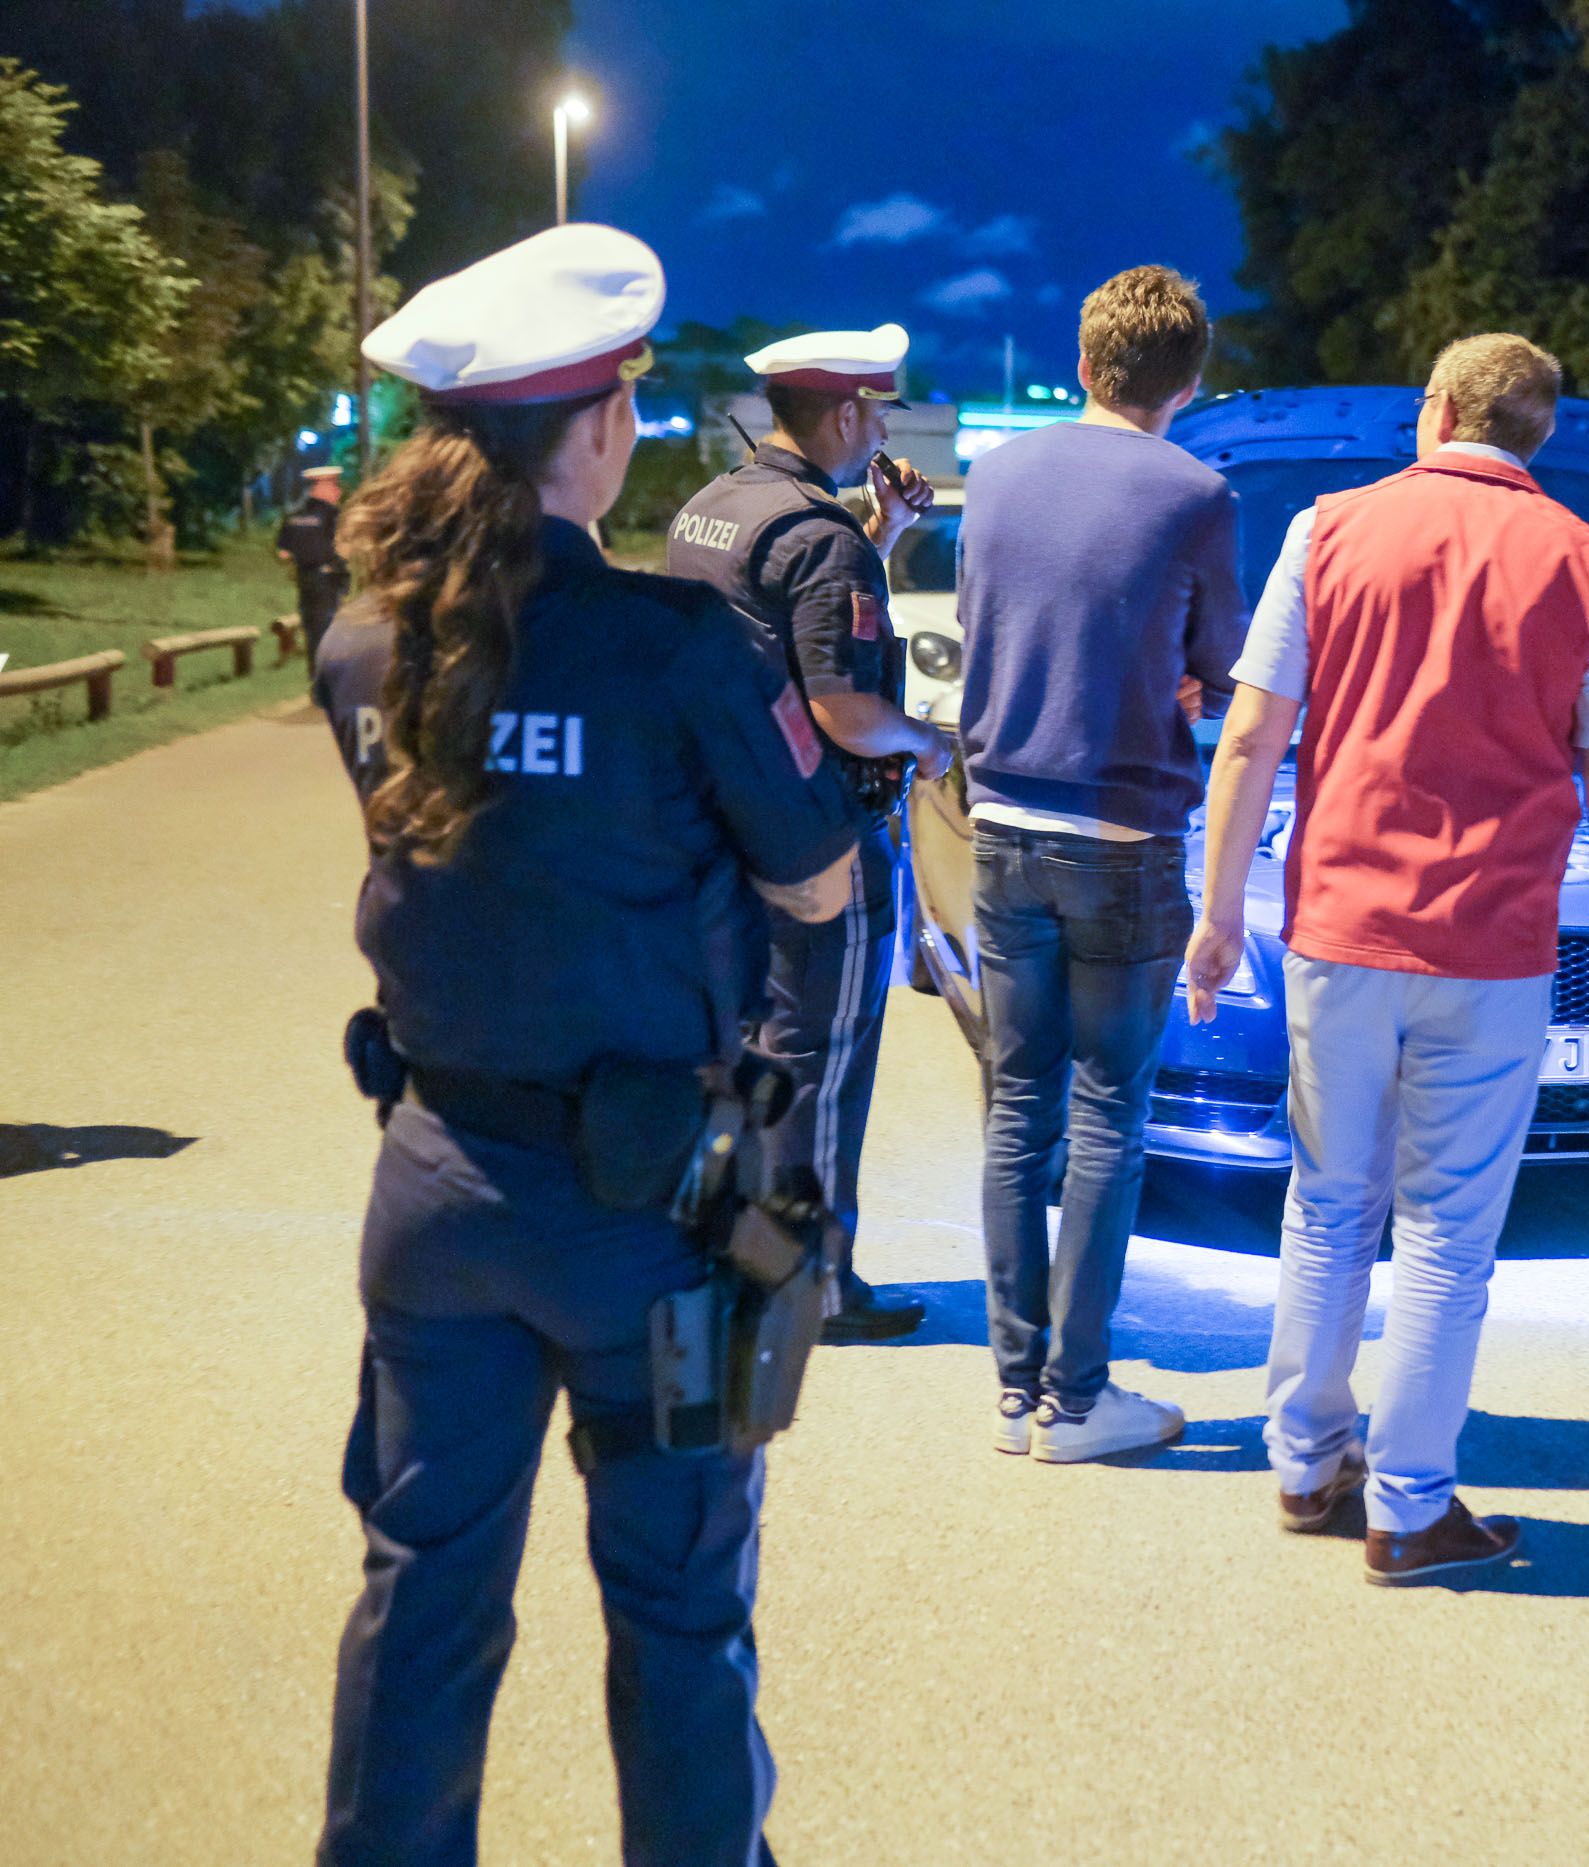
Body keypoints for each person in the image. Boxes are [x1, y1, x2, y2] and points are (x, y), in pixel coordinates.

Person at [310, 224, 862, 1863]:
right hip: (659, 1226)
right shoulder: (681, 647)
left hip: (435, 1199)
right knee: (681, 1618)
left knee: (422, 1601)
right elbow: (817, 876)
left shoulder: (366, 644)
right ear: (602, 430)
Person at [1185, 333, 1589, 1583]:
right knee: (1448, 1234)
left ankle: (1303, 1464)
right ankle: (1409, 1504)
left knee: (1327, 1203)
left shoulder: (1326, 532)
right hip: (1496, 947)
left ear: (1438, 410)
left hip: (1339, 926)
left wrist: (1220, 909)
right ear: (1536, 436)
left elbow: (1248, 737)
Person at [951, 266, 1245, 1462]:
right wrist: (1178, 673)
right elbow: (1221, 663)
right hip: (1123, 837)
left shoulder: (997, 471)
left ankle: (1016, 1391)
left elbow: (988, 625)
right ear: (1188, 383)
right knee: (1111, 1111)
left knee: (1017, 1106)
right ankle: (1079, 1401)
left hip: (1004, 825)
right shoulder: (1196, 493)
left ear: (1082, 364)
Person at [666, 323, 948, 1344]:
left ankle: (728, 1250)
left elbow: (768, 631)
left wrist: (877, 532)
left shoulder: (717, 509)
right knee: (822, 1061)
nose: (880, 424)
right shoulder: (820, 538)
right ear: (843, 413)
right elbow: (839, 706)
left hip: (717, 833)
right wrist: (925, 742)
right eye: (874, 408)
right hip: (817, 839)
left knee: (742, 1050)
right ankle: (813, 1282)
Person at [276, 464, 352, 671]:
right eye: (333, 486)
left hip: (304, 579)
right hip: (327, 580)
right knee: (327, 627)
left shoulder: (293, 515)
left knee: (311, 627)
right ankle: (326, 677)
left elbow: (282, 553)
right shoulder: (334, 516)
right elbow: (346, 548)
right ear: (321, 489)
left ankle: (315, 674)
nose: (338, 491)